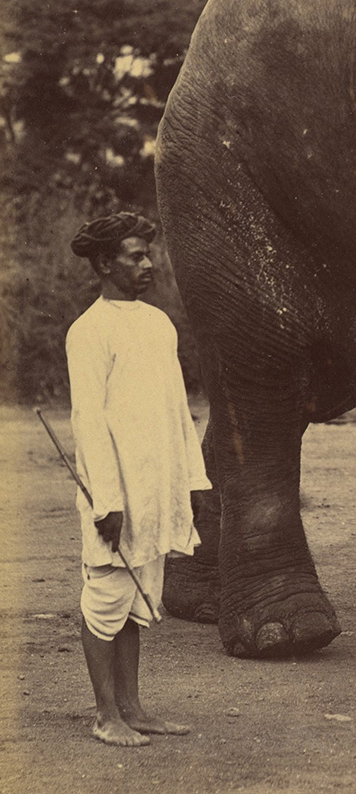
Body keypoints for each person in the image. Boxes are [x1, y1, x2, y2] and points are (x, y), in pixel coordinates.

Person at [65, 212, 210, 747]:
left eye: (148, 255)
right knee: (106, 596)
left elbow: (177, 410)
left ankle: (134, 708)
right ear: (105, 264)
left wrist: (191, 482)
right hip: (115, 493)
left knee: (137, 599)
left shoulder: (158, 324)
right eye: (135, 256)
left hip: (156, 487)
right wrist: (106, 500)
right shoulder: (89, 332)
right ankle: (106, 715)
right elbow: (88, 422)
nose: (148, 265)